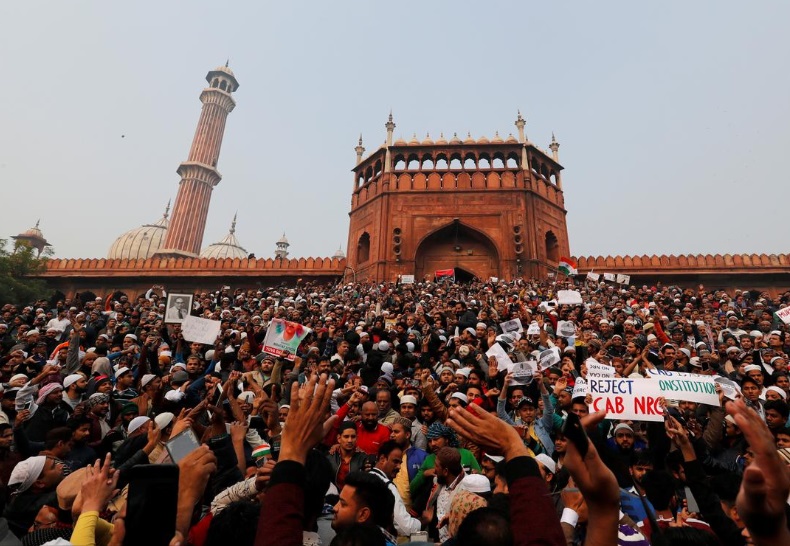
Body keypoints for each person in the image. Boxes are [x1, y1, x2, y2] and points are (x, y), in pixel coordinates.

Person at [369, 440, 423, 537]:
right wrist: (424, 520)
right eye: (395, 461)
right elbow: (406, 528)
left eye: (400, 463)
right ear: (382, 459)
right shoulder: (387, 487)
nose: (399, 467)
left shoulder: (368, 477)